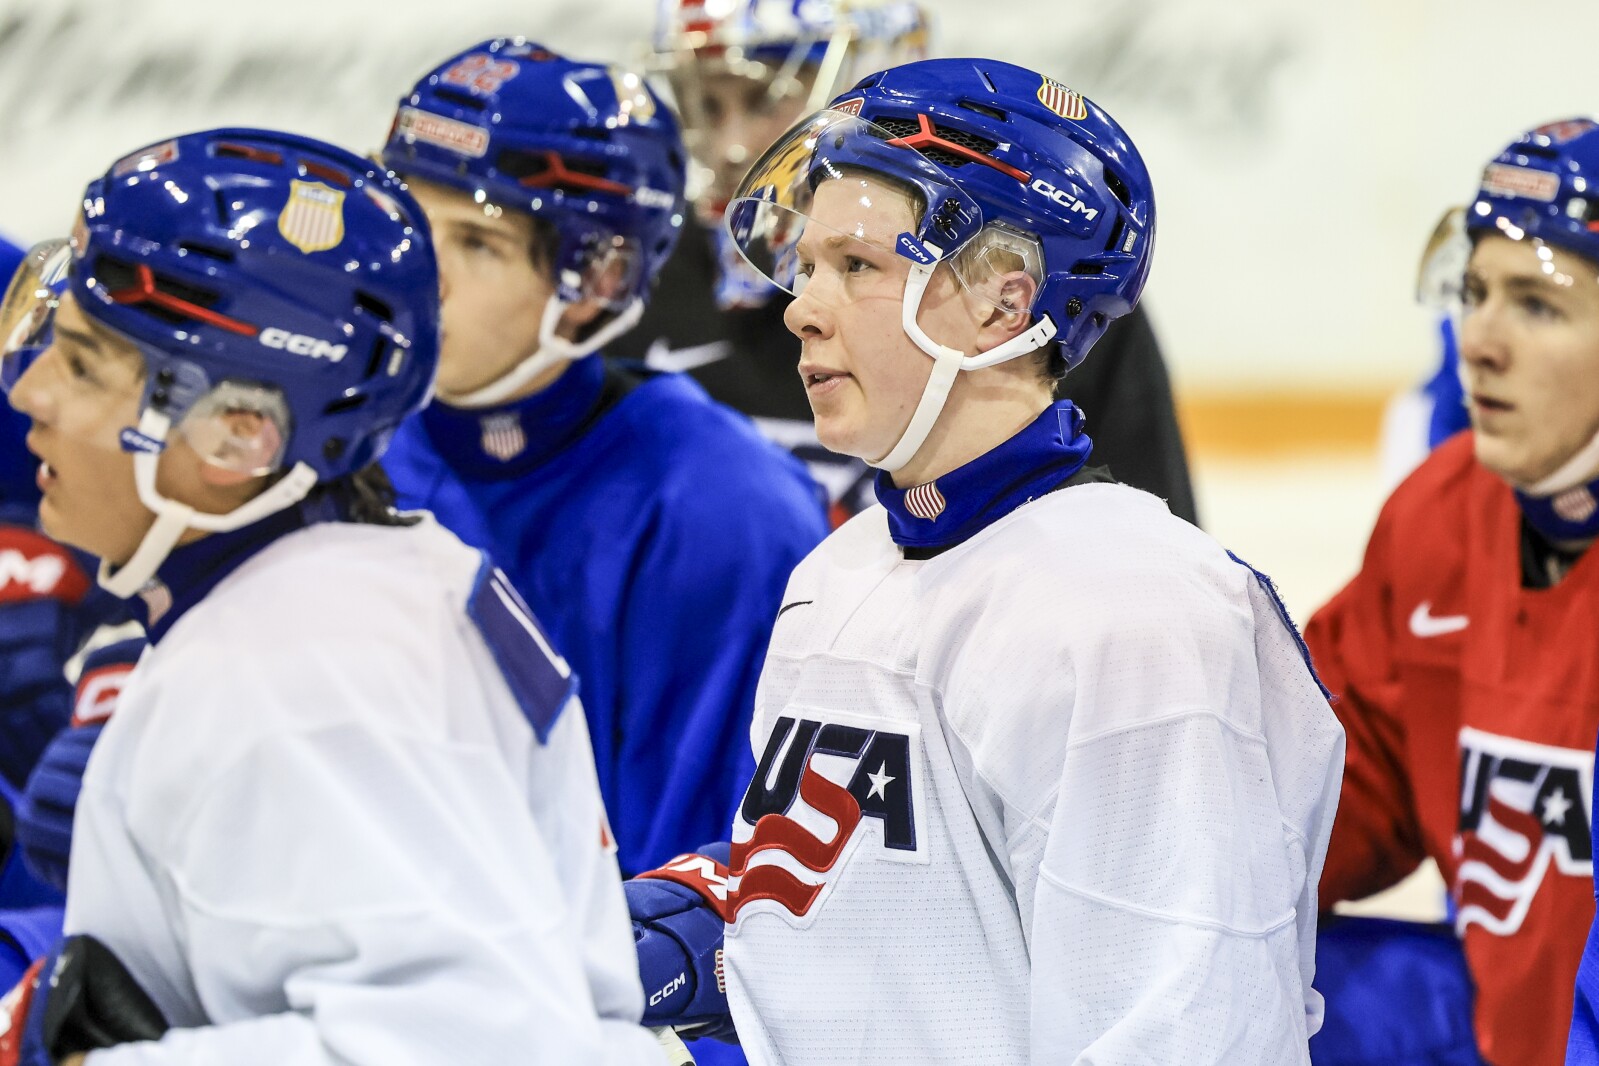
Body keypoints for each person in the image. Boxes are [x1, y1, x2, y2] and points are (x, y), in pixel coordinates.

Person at [625, 58, 1345, 1063]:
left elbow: (1177, 1029)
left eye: (856, 266)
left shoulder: (1133, 616)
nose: (800, 307)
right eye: (808, 265)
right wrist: (696, 921)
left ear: (1005, 305)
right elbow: (868, 901)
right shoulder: (838, 576)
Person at [0, 127, 667, 1063]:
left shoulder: (300, 669)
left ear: (236, 438)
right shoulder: (351, 584)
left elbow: (465, 1043)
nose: (28, 394)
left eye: (80, 365)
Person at [378, 40, 829, 879]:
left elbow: (694, 891)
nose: (417, 276)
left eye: (475, 243)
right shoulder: (328, 448)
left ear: (599, 277)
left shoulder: (723, 513)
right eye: (406, 222)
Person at [617, 0, 1200, 526]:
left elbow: (1144, 537)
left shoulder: (1037, 294)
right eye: (706, 105)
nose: (732, 147)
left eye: (766, 97)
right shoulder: (647, 278)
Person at [1306, 118, 1599, 1066]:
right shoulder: (1442, 510)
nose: (1477, 340)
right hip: (1516, 1018)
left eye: (1537, 305)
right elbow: (1334, 785)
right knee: (1250, 982)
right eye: (1473, 293)